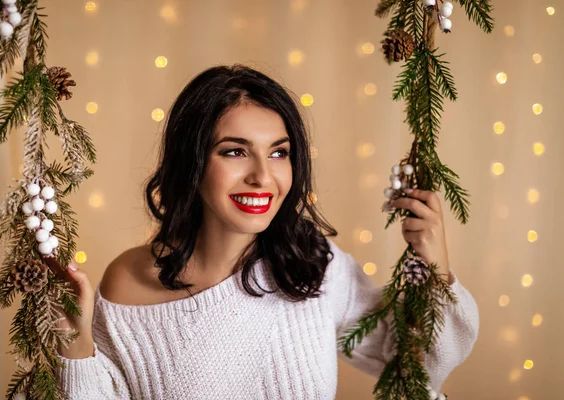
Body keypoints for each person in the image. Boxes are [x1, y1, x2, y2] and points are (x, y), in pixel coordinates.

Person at [50, 64, 479, 399]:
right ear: (193, 162)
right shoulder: (129, 280)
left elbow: (413, 363)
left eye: (279, 153)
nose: (262, 176)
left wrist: (437, 270)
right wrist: (75, 341)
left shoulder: (310, 263)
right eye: (235, 151)